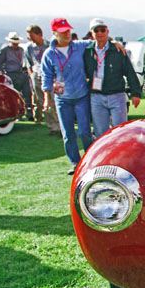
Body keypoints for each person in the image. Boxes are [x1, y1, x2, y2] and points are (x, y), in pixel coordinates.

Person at [41, 18, 95, 175]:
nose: (67, 34)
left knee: (85, 131)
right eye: (63, 32)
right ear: (54, 33)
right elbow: (47, 76)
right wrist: (47, 98)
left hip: (81, 96)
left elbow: (99, 43)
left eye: (68, 31)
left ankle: (90, 160)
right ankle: (75, 162)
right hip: (62, 99)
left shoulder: (79, 46)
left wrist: (116, 44)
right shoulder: (49, 54)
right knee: (67, 133)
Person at [83, 18, 142, 138]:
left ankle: (123, 155)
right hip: (96, 96)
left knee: (121, 131)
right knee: (100, 133)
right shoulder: (87, 51)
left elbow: (129, 72)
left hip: (117, 96)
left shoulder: (118, 50)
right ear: (91, 33)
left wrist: (136, 93)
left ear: (107, 31)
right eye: (96, 30)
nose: (100, 33)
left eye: (102, 30)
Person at [26, 24, 60, 135]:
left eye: (32, 35)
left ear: (39, 34)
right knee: (43, 102)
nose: (30, 38)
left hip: (51, 76)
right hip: (37, 75)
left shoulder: (50, 45)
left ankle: (61, 125)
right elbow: (29, 64)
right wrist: (32, 76)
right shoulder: (29, 48)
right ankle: (53, 127)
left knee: (55, 101)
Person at [0, 31, 33, 120]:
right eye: (14, 42)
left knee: (27, 94)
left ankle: (29, 114)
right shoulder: (5, 50)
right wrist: (3, 73)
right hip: (11, 74)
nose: (16, 44)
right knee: (15, 96)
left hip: (22, 73)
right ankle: (18, 115)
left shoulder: (21, 50)